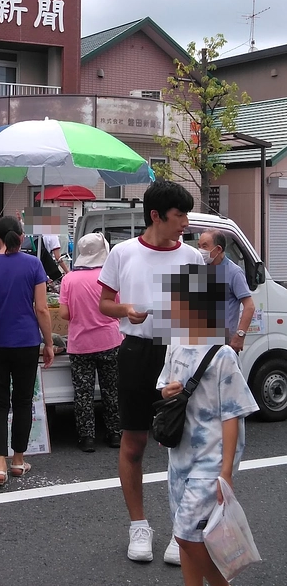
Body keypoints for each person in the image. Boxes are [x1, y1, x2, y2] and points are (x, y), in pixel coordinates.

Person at [97, 180, 204, 564]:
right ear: (156, 215)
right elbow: (104, 304)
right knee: (134, 441)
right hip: (137, 350)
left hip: (181, 354)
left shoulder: (192, 257)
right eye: (180, 216)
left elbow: (202, 318)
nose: (186, 223)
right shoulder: (123, 253)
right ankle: (138, 526)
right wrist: (126, 310)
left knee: (186, 444)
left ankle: (183, 530)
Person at [157, 264, 256, 586]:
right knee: (186, 535)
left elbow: (234, 415)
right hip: (179, 454)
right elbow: (166, 387)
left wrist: (227, 471)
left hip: (211, 458)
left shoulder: (224, 354)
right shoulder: (176, 343)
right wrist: (167, 391)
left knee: (186, 532)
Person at [0, 215, 54, 487]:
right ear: (22, 237)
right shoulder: (34, 265)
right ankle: (18, 460)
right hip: (26, 342)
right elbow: (42, 309)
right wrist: (49, 343)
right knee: (22, 402)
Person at [58, 233, 123, 452]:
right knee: (112, 389)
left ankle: (87, 438)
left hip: (80, 343)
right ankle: (115, 433)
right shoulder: (110, 277)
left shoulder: (69, 280)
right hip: (110, 340)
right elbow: (119, 308)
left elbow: (65, 314)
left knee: (83, 392)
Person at [197, 230, 255, 353]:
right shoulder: (200, 269)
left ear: (218, 249)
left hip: (223, 345)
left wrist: (240, 336)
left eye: (204, 246)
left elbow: (249, 306)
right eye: (199, 246)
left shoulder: (234, 272)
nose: (200, 250)